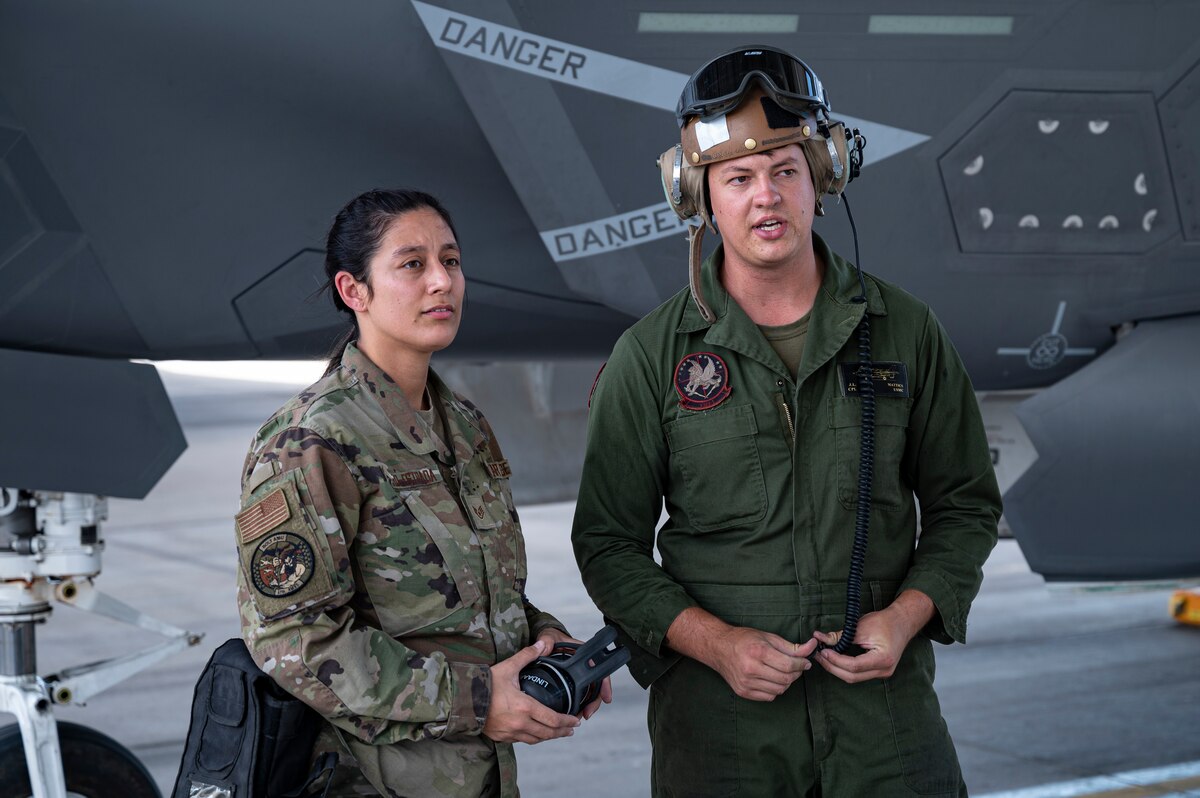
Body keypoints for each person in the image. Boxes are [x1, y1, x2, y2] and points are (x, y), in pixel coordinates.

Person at [572, 46, 1001, 796]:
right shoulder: (650, 357)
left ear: (824, 178)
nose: (764, 196)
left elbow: (966, 504)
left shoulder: (904, 330)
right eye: (737, 177)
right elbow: (608, 544)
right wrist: (715, 643)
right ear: (699, 195)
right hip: (722, 738)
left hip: (886, 733)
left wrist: (905, 616)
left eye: (785, 171)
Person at [234, 189, 609, 797]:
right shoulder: (312, 441)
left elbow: (484, 593)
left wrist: (550, 642)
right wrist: (480, 699)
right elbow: (293, 640)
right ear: (354, 291)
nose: (443, 281)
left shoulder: (461, 424)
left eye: (452, 261)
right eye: (413, 264)